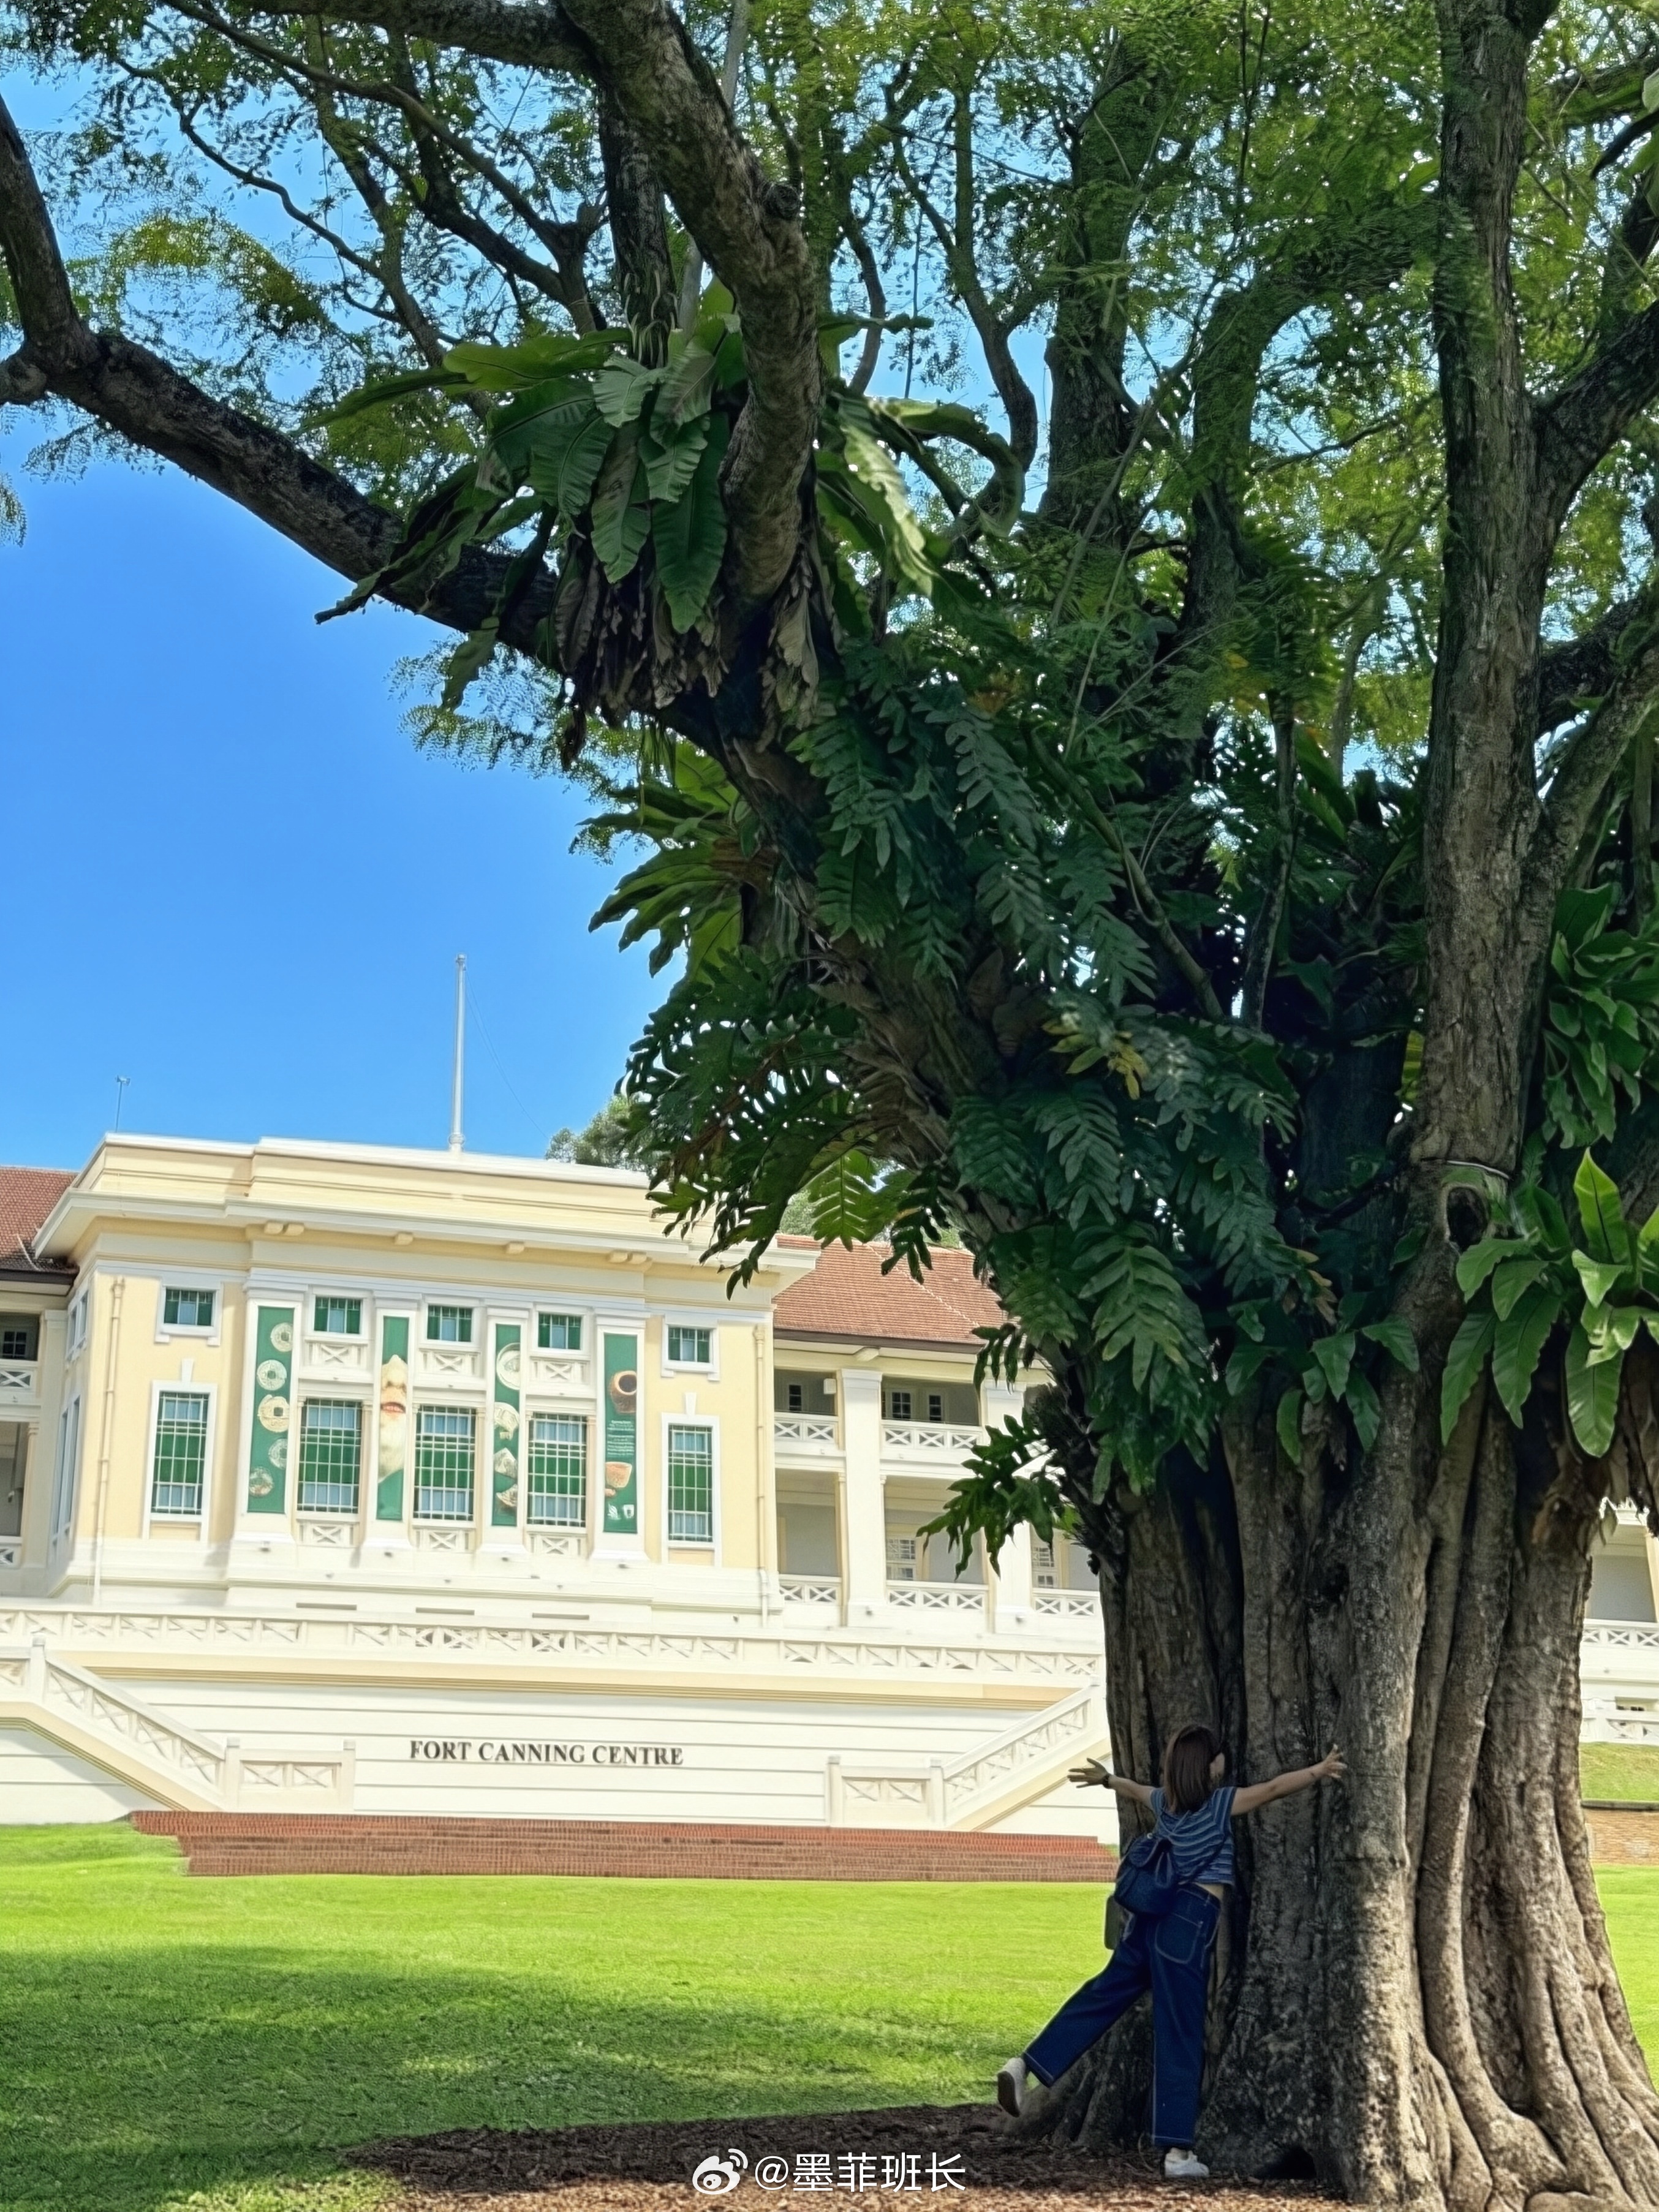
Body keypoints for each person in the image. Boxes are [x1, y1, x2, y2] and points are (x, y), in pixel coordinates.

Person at [996, 1724, 1346, 2181]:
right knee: (1180, 2032)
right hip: (1187, 1920)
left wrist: (1108, 1780)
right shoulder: (1221, 1804)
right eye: (1219, 1756)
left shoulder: (1167, 1802)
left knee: (1100, 1996)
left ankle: (1025, 2065)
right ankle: (1178, 2154)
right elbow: (1276, 1788)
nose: (1225, 1762)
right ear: (1210, 1765)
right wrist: (1319, 1770)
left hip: (1146, 1919)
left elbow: (1138, 1791)